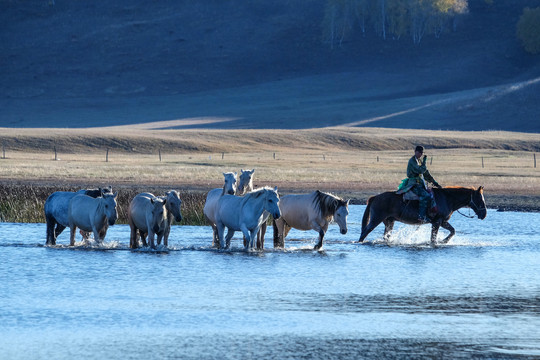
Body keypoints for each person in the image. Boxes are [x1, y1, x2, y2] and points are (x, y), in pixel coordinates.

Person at [399, 145, 442, 222]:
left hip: (419, 183)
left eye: (422, 153)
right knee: (426, 196)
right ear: (415, 152)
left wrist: (434, 182)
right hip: (413, 184)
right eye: (419, 152)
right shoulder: (412, 161)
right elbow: (420, 170)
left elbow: (425, 173)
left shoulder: (419, 161)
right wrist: (424, 162)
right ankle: (421, 216)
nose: (421, 154)